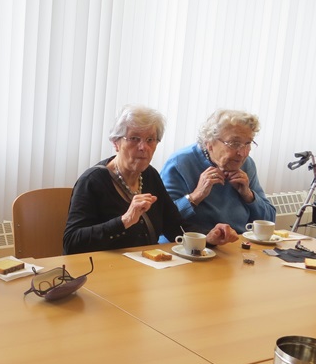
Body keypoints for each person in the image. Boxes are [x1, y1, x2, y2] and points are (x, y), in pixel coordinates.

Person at [63, 105, 238, 254]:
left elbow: (175, 226)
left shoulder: (149, 175)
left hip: (145, 269)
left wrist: (208, 237)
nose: (143, 147)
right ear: (116, 143)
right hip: (103, 272)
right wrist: (124, 221)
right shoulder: (92, 181)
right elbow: (71, 243)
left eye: (150, 140)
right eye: (134, 139)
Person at [160, 109, 276, 235]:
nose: (242, 153)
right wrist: (196, 196)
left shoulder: (247, 165)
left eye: (248, 143)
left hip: (235, 243)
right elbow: (161, 220)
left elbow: (269, 220)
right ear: (209, 143)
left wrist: (249, 195)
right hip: (190, 246)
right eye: (234, 143)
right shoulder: (180, 163)